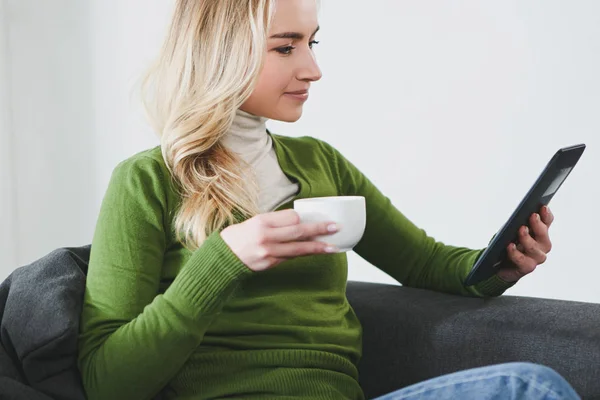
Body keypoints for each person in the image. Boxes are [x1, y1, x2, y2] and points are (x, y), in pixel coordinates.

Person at [76, 0, 581, 399]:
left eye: (312, 43)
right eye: (285, 47)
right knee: (528, 388)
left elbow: (429, 264)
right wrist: (222, 261)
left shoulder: (322, 163)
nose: (313, 69)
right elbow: (108, 383)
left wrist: (501, 265)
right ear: (221, 50)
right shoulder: (146, 182)